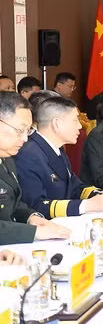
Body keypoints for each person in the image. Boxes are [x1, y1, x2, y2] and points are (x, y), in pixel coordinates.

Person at [14, 97, 103, 218]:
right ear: (56, 124)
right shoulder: (28, 155)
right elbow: (36, 205)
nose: (79, 126)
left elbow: (74, 186)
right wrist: (86, 206)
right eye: (75, 121)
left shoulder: (57, 148)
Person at [0, 92, 70, 243]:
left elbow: (14, 204)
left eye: (28, 131)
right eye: (20, 130)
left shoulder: (7, 159)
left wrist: (32, 218)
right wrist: (33, 232)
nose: (25, 139)